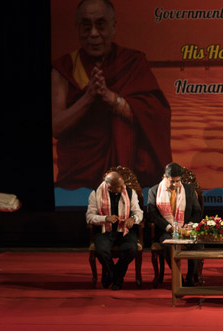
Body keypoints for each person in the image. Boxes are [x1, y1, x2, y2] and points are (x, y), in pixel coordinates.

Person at [51, 0, 171, 189]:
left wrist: (111, 98)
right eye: (86, 26)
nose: (93, 34)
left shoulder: (133, 63)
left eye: (100, 25)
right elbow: (56, 127)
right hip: (78, 179)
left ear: (113, 27)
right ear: (77, 29)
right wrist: (89, 97)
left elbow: (154, 114)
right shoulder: (64, 68)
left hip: (124, 177)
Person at [85, 171, 143, 290]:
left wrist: (133, 219)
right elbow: (89, 217)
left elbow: (138, 212)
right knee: (102, 250)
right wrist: (105, 218)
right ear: (110, 187)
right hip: (105, 230)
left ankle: (112, 276)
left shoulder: (130, 193)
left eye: (123, 184)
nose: (123, 187)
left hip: (125, 230)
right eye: (120, 186)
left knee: (131, 249)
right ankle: (116, 277)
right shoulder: (95, 194)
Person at [147, 162, 202, 286]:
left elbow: (197, 212)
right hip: (166, 231)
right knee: (168, 246)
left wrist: (190, 224)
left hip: (186, 229)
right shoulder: (154, 191)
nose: (175, 185)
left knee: (198, 245)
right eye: (172, 181)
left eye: (178, 181)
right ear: (164, 177)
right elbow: (152, 215)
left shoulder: (189, 190)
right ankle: (178, 276)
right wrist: (169, 228)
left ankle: (190, 277)